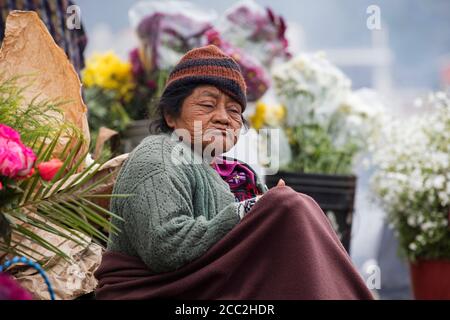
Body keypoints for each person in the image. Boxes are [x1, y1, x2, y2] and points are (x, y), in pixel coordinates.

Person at [95, 45, 374, 300]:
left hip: (215, 290)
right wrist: (253, 211)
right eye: (206, 105)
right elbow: (165, 249)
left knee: (298, 206)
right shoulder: (157, 155)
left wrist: (271, 213)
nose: (223, 117)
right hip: (159, 293)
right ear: (171, 116)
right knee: (287, 204)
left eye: (234, 110)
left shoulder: (238, 174)